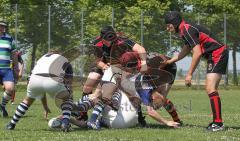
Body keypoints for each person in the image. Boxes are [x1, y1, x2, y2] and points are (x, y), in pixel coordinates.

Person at [163, 11, 228, 131]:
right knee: (211, 89)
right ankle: (217, 122)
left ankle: (218, 124)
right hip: (213, 54)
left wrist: (189, 74)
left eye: (169, 25)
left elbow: (197, 53)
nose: (167, 28)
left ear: (175, 22)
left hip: (218, 53)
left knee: (210, 88)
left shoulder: (187, 29)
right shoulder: (184, 30)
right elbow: (186, 49)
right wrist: (170, 61)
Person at [6, 51, 74, 132]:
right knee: (67, 99)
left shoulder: (42, 58)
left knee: (27, 101)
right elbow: (69, 83)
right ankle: (65, 123)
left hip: (35, 79)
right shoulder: (64, 59)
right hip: (53, 79)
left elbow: (41, 88)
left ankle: (12, 124)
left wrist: (45, 106)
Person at [119, 51, 181, 127]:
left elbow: (151, 111)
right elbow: (151, 111)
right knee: (156, 100)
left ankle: (177, 120)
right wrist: (166, 122)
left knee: (161, 99)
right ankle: (140, 119)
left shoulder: (144, 72)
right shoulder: (142, 83)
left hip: (168, 68)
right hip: (153, 70)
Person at [0, 18, 17, 117]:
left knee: (10, 89)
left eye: (3, 26)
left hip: (6, 69)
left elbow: (14, 54)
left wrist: (16, 68)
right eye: (0, 25)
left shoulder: (9, 38)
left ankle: (2, 106)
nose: (1, 27)